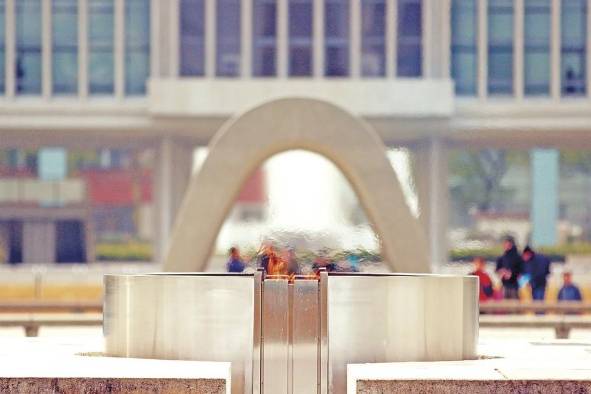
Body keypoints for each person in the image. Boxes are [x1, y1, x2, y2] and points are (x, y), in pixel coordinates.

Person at [495, 235, 524, 300]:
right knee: (505, 306)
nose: (505, 246)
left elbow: (521, 271)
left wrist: (511, 274)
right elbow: (497, 269)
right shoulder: (502, 257)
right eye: (504, 244)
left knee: (514, 306)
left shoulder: (517, 257)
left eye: (507, 244)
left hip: (514, 285)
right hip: (504, 285)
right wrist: (502, 272)